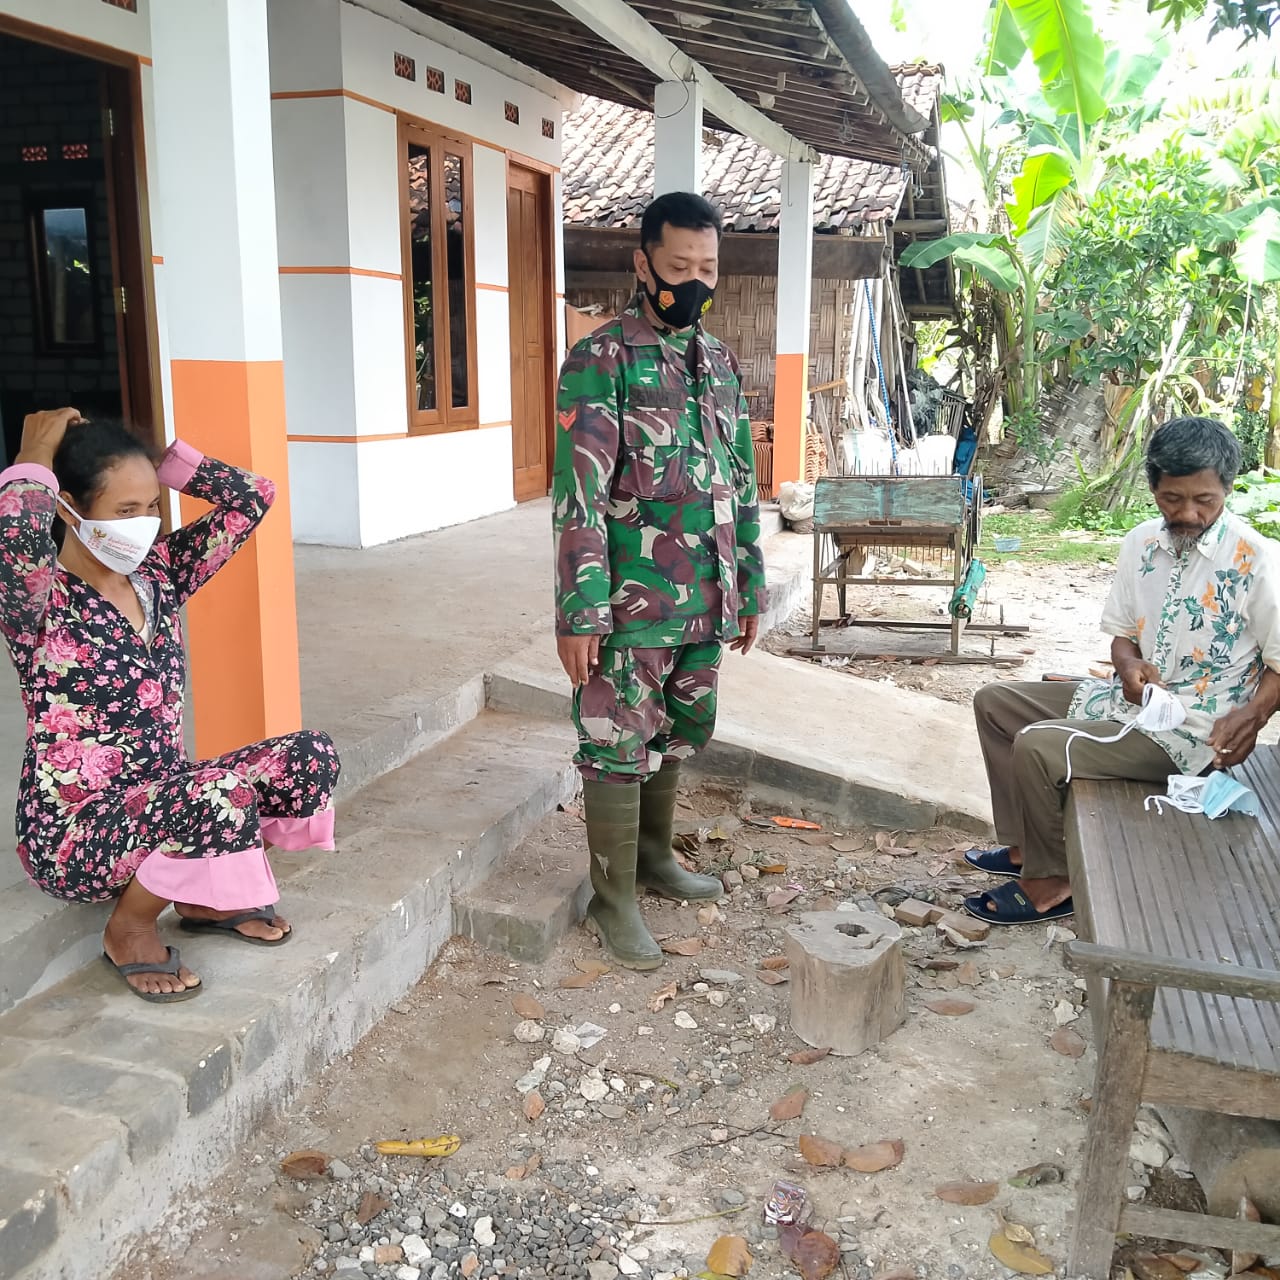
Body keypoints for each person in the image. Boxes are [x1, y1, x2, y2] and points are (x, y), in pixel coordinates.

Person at [0, 408, 340, 1001]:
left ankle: (200, 897)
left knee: (310, 756)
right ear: (67, 508)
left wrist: (161, 462)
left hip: (165, 799)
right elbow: (15, 545)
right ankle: (129, 925)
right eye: (124, 511)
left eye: (151, 507)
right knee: (219, 796)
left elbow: (252, 498)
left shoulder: (158, 575)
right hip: (77, 834)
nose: (144, 525)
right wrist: (35, 456)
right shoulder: (38, 603)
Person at [552, 192, 767, 970]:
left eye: (707, 268)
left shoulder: (721, 362)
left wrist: (749, 582)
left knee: (681, 731)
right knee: (614, 742)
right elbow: (577, 492)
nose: (695, 282)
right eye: (679, 267)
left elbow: (741, 482)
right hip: (628, 602)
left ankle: (652, 859)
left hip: (705, 598)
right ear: (642, 263)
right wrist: (579, 609)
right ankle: (613, 901)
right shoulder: (601, 358)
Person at [965, 415, 1280, 925]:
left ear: (1227, 489)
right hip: (1130, 703)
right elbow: (1122, 635)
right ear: (1153, 485)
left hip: (1196, 732)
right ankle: (1028, 847)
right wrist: (1129, 665)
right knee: (996, 704)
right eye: (1173, 499)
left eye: (1205, 500)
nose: (1189, 514)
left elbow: (1279, 662)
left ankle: (1052, 883)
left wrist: (1254, 717)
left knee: (1040, 746)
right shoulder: (1140, 544)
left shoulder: (1259, 562)